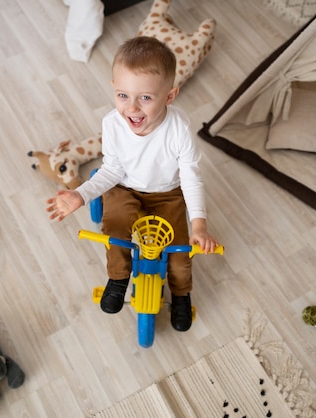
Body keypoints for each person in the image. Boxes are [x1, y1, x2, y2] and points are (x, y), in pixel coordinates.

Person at [46, 36, 219, 331]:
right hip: (124, 188)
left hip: (167, 194)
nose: (132, 109)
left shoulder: (179, 128)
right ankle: (118, 277)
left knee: (178, 254)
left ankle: (180, 295)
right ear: (113, 86)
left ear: (170, 96)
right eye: (123, 95)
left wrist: (199, 225)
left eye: (146, 98)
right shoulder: (112, 124)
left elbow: (190, 176)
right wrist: (80, 194)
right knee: (116, 230)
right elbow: (111, 169)